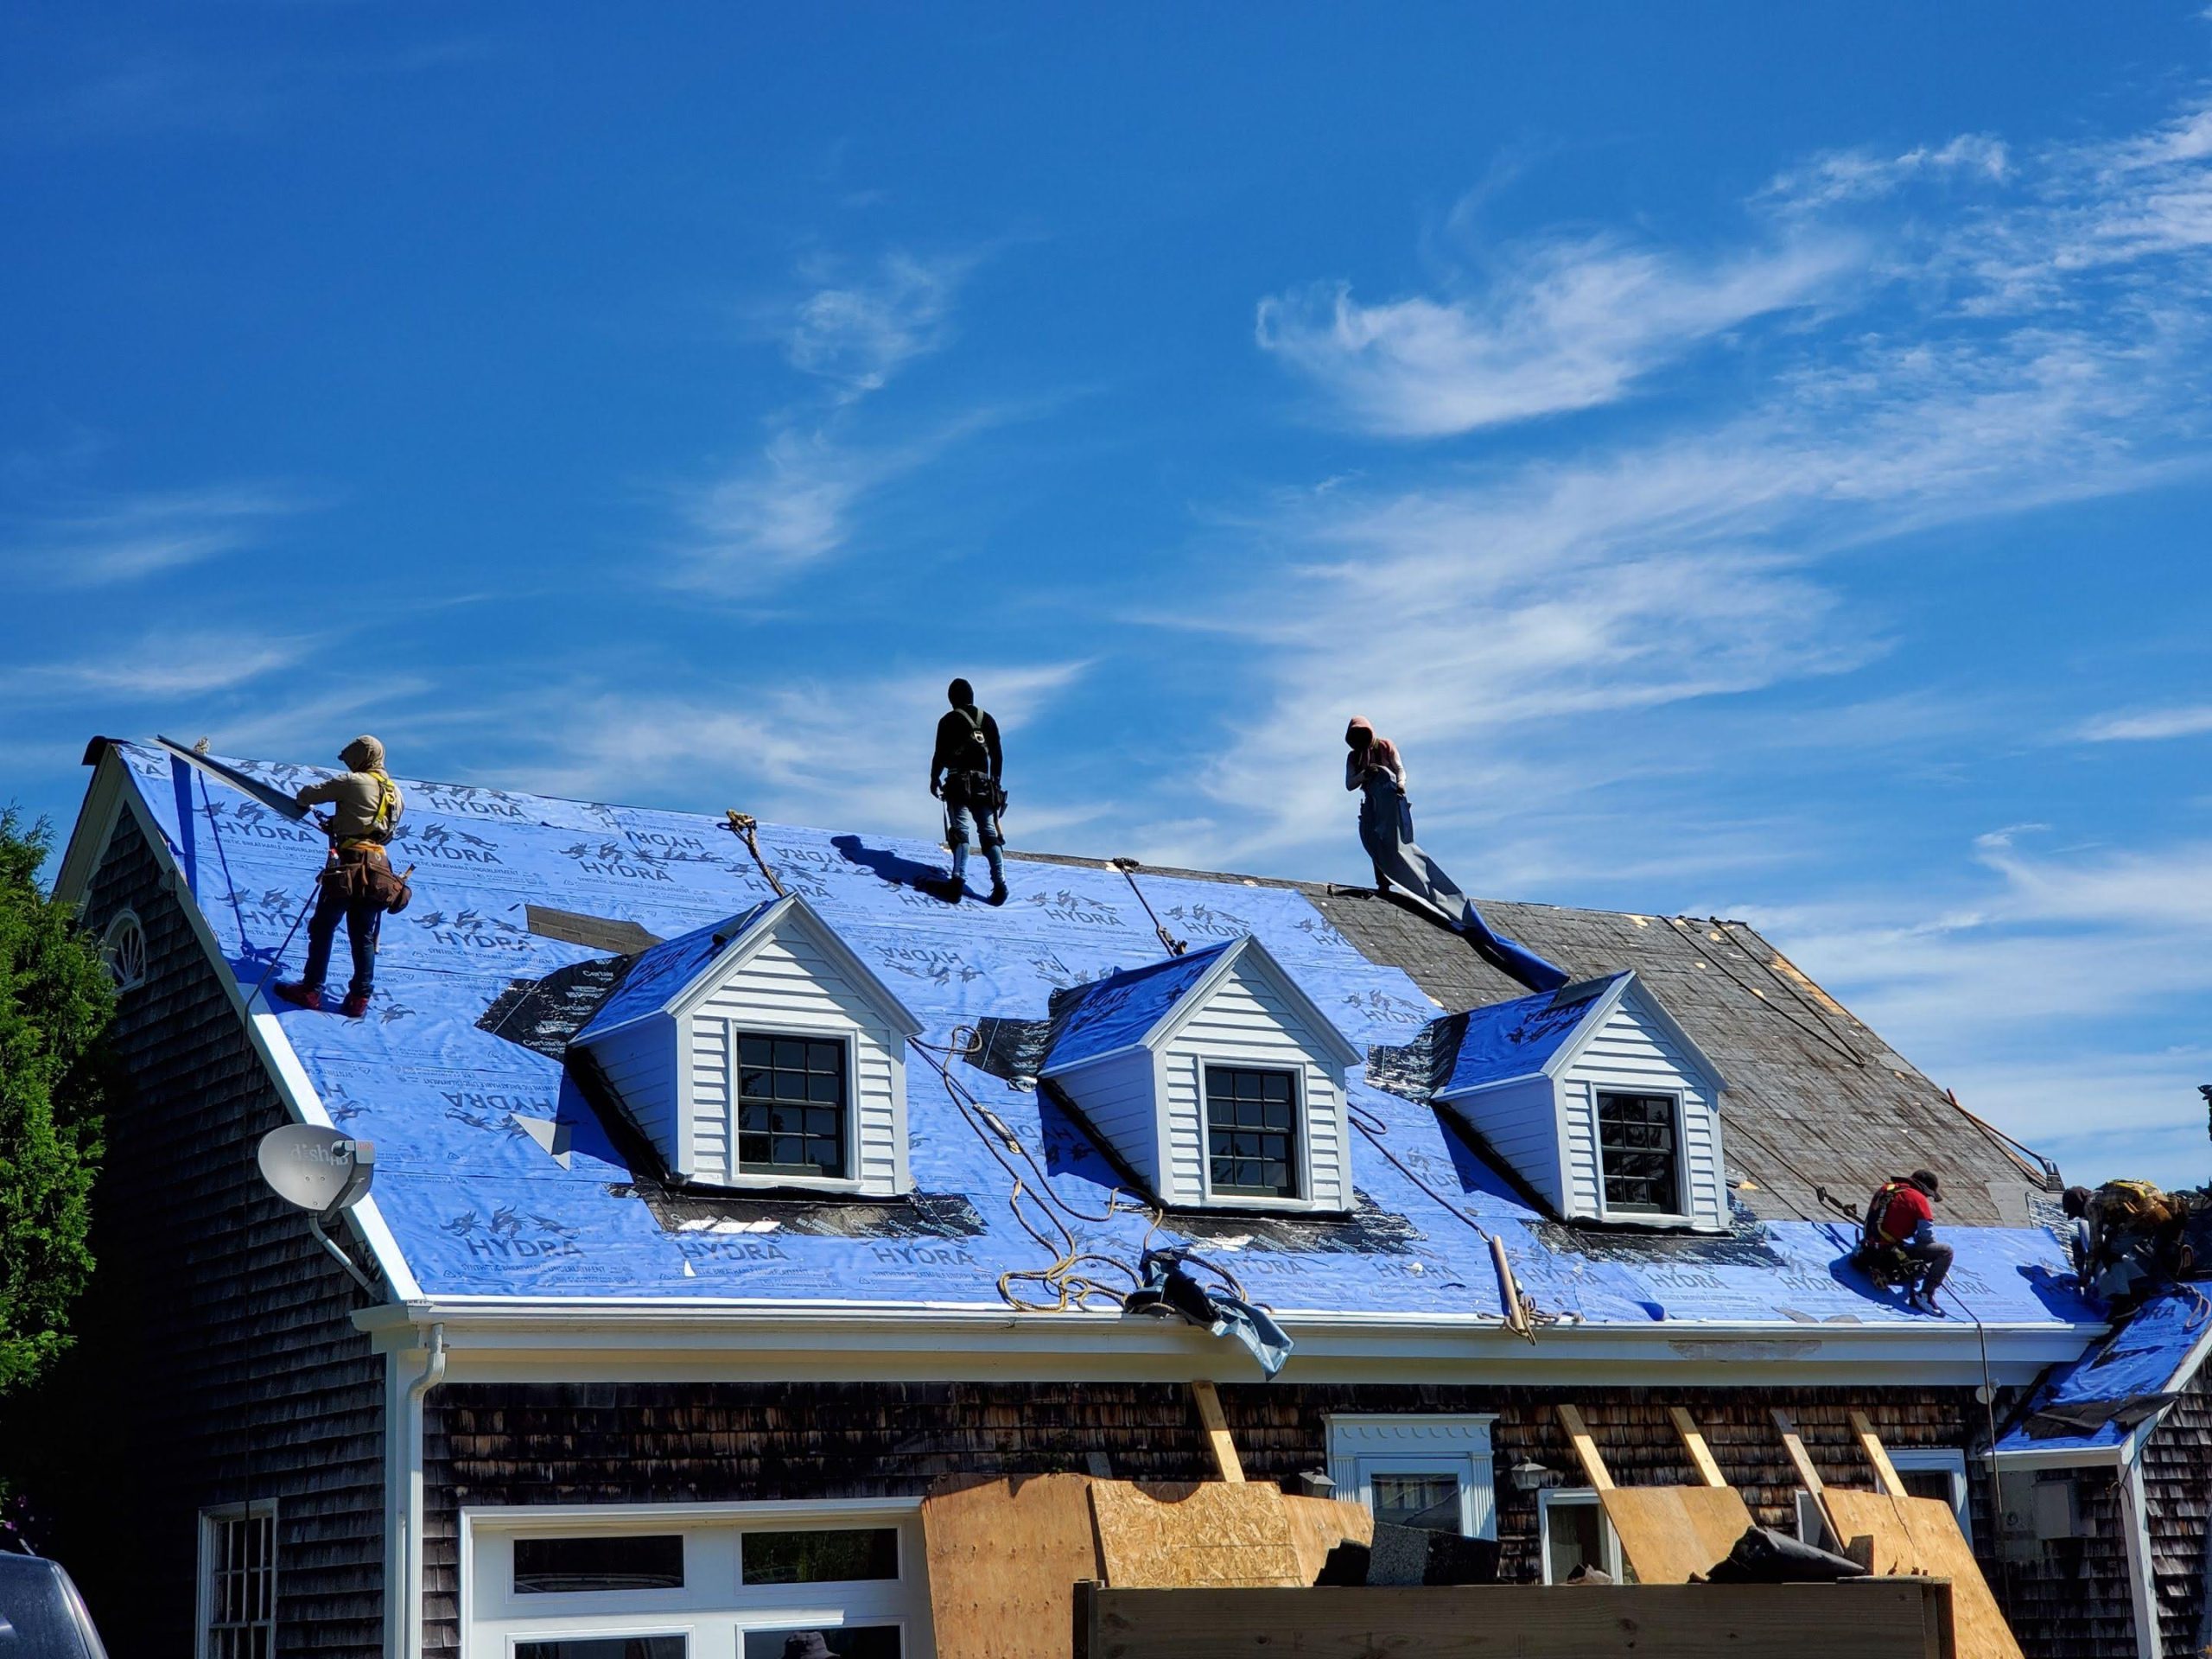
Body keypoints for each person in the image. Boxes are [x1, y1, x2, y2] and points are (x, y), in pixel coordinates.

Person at [1344, 716, 1567, 991]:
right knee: (1375, 844)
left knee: (1399, 847)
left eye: (1362, 735)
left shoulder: (1386, 746)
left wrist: (1400, 784)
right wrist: (1365, 775)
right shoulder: (1355, 758)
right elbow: (1350, 784)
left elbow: (1400, 770)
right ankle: (1384, 882)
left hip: (1391, 802)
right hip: (1373, 807)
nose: (1360, 741)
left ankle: (1423, 891)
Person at [274, 735, 408, 1018]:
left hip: (349, 864)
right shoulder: (396, 792)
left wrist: (338, 820)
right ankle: (360, 997)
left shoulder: (353, 781)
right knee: (363, 934)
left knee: (323, 926)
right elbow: (380, 828)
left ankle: (311, 989)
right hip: (380, 868)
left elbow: (306, 796)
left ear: (360, 758)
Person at [929, 678, 1007, 905]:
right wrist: (996, 783)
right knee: (989, 833)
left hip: (958, 782)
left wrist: (934, 778)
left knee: (960, 831)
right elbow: (997, 755)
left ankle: (957, 882)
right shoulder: (988, 720)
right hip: (984, 785)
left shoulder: (949, 720)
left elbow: (940, 755)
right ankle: (1000, 884)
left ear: (952, 699)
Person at [1859, 1169, 1950, 1315]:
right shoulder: (1918, 1199)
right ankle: (1925, 1295)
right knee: (1945, 1252)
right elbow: (1926, 1238)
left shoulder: (1886, 1189)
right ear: (1924, 1189)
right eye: (1928, 1195)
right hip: (1889, 1253)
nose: (1927, 1197)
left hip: (1868, 1248)